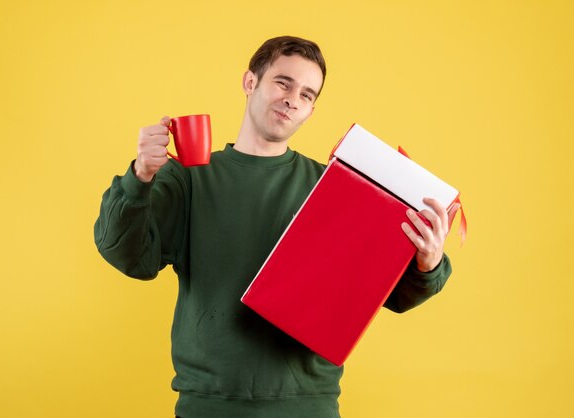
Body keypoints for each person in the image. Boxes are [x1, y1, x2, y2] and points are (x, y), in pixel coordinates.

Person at [94, 36, 460, 418]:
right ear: (250, 82)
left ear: (310, 111)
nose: (292, 99)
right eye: (283, 83)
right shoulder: (189, 177)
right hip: (209, 406)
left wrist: (428, 260)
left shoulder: (333, 187)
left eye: (306, 94)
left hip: (309, 406)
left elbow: (392, 294)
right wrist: (141, 176)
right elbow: (127, 254)